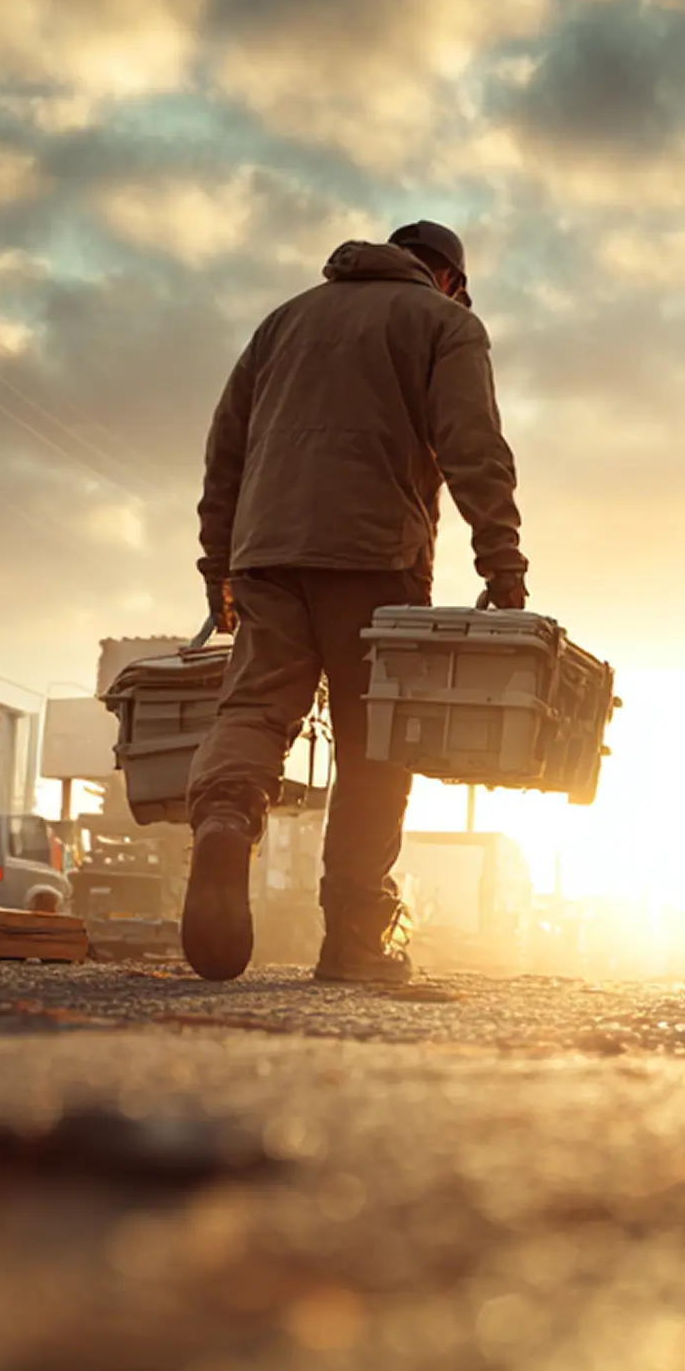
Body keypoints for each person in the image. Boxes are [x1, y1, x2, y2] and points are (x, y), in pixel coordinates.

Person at [182, 220, 528, 985]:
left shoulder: (285, 320)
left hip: (267, 550)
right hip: (375, 557)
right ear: (448, 278)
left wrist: (221, 566)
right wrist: (502, 563)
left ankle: (224, 816)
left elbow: (225, 448)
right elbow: (472, 443)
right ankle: (354, 941)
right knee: (375, 749)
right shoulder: (445, 323)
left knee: (252, 711)